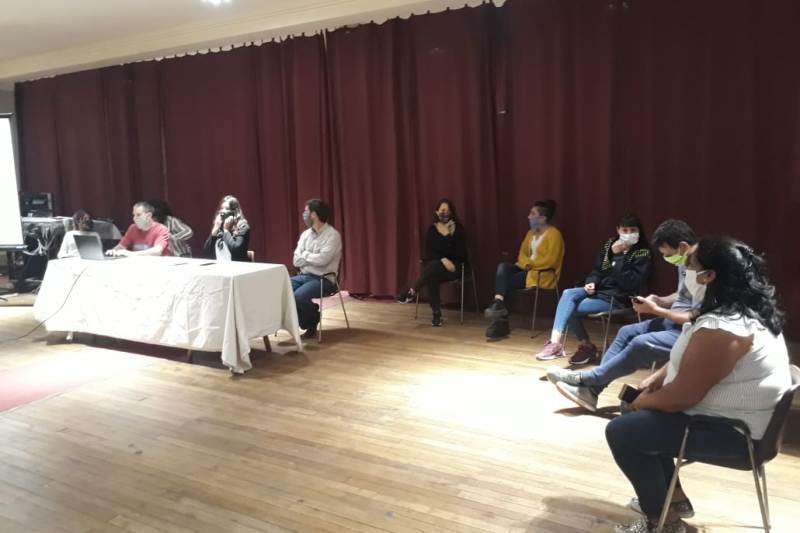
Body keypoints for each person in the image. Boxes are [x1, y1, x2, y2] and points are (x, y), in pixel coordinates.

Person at [605, 237, 791, 533]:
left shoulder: (724, 328)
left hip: (736, 435)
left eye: (691, 265)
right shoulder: (744, 312)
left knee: (623, 431)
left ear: (710, 276)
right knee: (637, 413)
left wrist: (642, 401)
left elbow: (680, 398)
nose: (686, 272)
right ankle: (673, 499)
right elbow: (693, 356)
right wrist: (658, 378)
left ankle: (663, 522)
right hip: (737, 421)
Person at [546, 219, 698, 412]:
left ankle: (589, 380)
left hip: (689, 330)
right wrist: (660, 300)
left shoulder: (702, 269)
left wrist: (656, 310)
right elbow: (682, 295)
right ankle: (591, 390)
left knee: (640, 343)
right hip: (671, 318)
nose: (667, 258)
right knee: (625, 332)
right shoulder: (685, 261)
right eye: (624, 229)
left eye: (668, 255)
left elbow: (697, 317)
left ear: (683, 247)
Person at [535, 213, 652, 363]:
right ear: (618, 230)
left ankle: (586, 346)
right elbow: (598, 270)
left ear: (639, 231)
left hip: (619, 297)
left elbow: (631, 283)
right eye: (625, 230)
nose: (629, 234)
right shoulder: (609, 245)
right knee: (568, 294)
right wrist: (592, 282)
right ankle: (554, 343)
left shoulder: (643, 252)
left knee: (569, 309)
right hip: (600, 291)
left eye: (633, 230)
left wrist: (618, 256)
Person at [484, 199, 564, 340]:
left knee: (505, 283)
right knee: (503, 267)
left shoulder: (554, 235)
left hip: (541, 274)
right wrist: (527, 264)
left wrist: (531, 264)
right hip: (526, 269)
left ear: (543, 218)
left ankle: (500, 322)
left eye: (532, 214)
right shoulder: (530, 234)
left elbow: (551, 260)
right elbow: (522, 254)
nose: (528, 217)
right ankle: (498, 303)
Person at [395, 199, 468, 326]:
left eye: (447, 210)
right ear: (437, 212)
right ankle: (436, 314)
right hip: (438, 268)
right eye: (442, 210)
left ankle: (412, 291)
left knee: (432, 269)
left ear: (452, 212)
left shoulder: (458, 229)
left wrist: (447, 235)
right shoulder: (432, 230)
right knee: (432, 273)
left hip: (455, 268)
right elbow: (429, 253)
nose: (444, 213)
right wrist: (443, 259)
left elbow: (460, 252)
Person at [292, 198, 342, 339]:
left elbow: (323, 260)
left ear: (314, 214)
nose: (304, 214)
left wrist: (305, 255)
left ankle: (312, 320)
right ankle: (309, 317)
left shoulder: (332, 235)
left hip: (324, 279)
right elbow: (295, 260)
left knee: (298, 297)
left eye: (306, 211)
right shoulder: (305, 235)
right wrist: (311, 258)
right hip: (304, 275)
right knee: (282, 291)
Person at [203, 195, 250, 262]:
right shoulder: (219, 227)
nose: (223, 211)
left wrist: (226, 230)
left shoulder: (242, 227)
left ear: (235, 211)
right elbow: (206, 253)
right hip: (218, 266)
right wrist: (214, 231)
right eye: (221, 208)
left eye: (227, 209)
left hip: (236, 266)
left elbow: (236, 251)